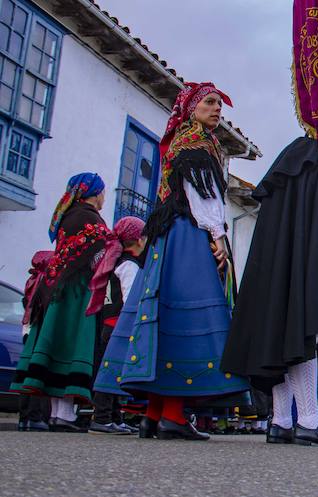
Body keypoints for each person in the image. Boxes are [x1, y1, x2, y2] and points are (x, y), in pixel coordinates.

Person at [94, 82, 249, 441]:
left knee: (162, 319)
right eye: (209, 103)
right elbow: (203, 197)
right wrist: (217, 237)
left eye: (218, 104)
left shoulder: (181, 140)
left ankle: (154, 414)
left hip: (167, 240)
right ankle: (174, 417)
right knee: (186, 315)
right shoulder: (197, 144)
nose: (216, 109)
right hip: (188, 238)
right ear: (192, 107)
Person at [220, 106, 318, 448]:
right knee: (300, 326)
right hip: (298, 260)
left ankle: (281, 421)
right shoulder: (312, 159)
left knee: (286, 330)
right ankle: (306, 419)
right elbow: (310, 222)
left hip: (295, 259)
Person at [13, 173, 112, 433]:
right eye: (103, 192)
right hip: (76, 293)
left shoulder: (68, 216)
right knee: (71, 345)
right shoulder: (89, 219)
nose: (104, 197)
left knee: (57, 345)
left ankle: (59, 413)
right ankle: (63, 414)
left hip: (57, 290)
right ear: (95, 192)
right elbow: (101, 255)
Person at [86, 216, 146, 435]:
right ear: (139, 240)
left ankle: (114, 416)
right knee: (111, 373)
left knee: (112, 371)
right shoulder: (129, 265)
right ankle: (102, 418)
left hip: (107, 324)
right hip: (119, 326)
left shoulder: (112, 262)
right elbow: (131, 297)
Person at [16, 250, 55, 432]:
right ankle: (35, 417)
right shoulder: (45, 283)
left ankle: (24, 418)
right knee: (38, 375)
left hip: (28, 331)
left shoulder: (33, 280)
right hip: (38, 332)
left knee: (27, 374)